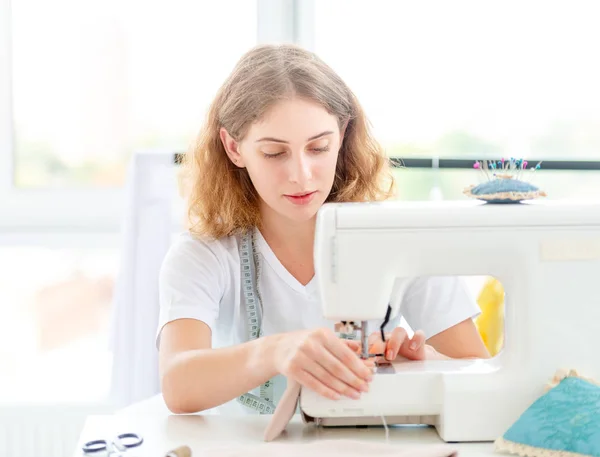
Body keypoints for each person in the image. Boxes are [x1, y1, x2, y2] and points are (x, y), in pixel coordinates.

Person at [157, 43, 490, 415]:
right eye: (274, 153)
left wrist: (424, 362)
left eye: (318, 147)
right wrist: (276, 351)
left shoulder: (401, 241)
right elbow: (177, 385)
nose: (301, 175)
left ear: (343, 134)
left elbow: (478, 370)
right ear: (234, 148)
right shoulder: (205, 255)